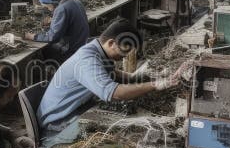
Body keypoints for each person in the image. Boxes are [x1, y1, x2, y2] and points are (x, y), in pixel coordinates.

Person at [36, 19, 179, 133]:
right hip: (57, 123)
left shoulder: (97, 50)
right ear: (111, 43)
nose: (126, 56)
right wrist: (155, 85)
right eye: (126, 51)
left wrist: (144, 76)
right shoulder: (87, 60)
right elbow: (116, 93)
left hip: (74, 110)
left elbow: (113, 74)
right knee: (118, 131)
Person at [25, 0, 89, 62]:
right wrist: (54, 20)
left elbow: (53, 37)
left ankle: (49, 70)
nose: (48, 9)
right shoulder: (76, 1)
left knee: (42, 50)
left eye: (47, 6)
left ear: (50, 2)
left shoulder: (61, 9)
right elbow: (70, 20)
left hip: (70, 51)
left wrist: (32, 36)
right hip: (82, 44)